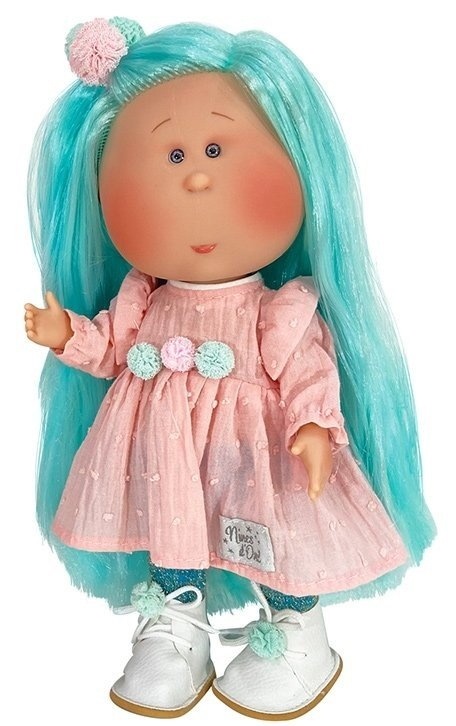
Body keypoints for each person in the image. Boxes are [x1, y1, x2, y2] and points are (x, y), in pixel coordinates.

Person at [24, 17, 436, 720]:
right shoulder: (143, 298)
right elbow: (113, 351)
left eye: (214, 148)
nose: (197, 176)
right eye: (170, 156)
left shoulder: (279, 309)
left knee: (273, 538)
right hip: (166, 460)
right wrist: (69, 336)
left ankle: (297, 629)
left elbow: (307, 374)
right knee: (173, 532)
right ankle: (176, 623)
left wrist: (313, 428)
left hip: (256, 459)